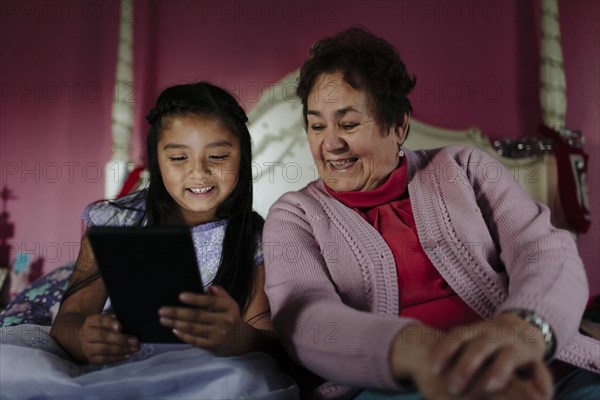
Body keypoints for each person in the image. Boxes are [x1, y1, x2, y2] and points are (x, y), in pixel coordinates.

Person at [262, 27, 599, 400]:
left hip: (534, 365)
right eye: (316, 125)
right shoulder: (295, 215)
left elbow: (543, 250)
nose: (330, 144)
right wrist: (422, 354)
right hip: (395, 385)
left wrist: (521, 332)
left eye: (348, 124)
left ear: (399, 125)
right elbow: (304, 318)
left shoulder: (466, 168)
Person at [1, 82, 298, 399]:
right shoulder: (119, 221)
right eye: (179, 158)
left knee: (247, 380)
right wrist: (85, 340)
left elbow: (265, 337)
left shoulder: (253, 239)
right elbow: (68, 321)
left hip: (199, 366)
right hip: (119, 360)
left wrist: (235, 336)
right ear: (157, 161)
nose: (199, 172)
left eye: (218, 155)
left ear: (242, 156)